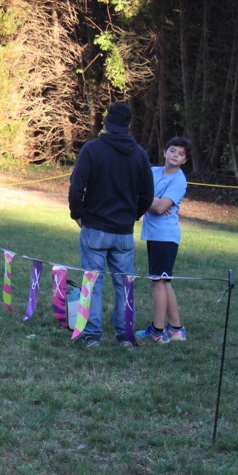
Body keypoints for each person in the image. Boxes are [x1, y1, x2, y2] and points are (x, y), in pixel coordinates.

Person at [68, 102, 154, 348]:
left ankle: (92, 335)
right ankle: (125, 336)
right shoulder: (139, 154)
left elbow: (76, 186)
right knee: (124, 285)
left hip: (95, 227)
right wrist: (133, 216)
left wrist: (77, 214)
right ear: (129, 124)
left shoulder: (92, 149)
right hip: (123, 232)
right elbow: (147, 195)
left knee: (93, 282)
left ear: (106, 121)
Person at [135, 136, 192, 343]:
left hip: (165, 236)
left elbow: (159, 208)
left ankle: (157, 332)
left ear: (185, 160)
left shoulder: (179, 180)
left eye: (181, 154)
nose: (176, 155)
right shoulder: (153, 172)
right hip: (153, 234)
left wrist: (149, 201)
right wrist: (153, 201)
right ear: (165, 152)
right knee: (164, 281)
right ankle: (176, 330)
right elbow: (136, 191)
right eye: (173, 151)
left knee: (158, 282)